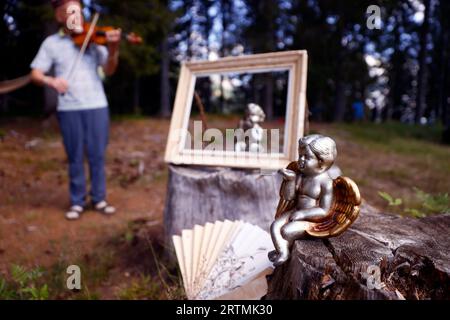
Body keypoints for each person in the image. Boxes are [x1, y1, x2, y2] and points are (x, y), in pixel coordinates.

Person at [30, 0, 121, 220]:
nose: (76, 16)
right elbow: (36, 74)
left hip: (97, 104)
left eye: (79, 12)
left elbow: (109, 70)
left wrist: (113, 49)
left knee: (97, 155)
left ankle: (99, 198)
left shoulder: (93, 39)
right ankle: (77, 201)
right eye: (70, 12)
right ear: (59, 17)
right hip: (69, 107)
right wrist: (52, 81)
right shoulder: (52, 43)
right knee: (74, 156)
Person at [269, 134, 337, 266]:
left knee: (286, 231)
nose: (301, 160)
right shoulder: (301, 176)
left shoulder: (325, 182)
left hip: (313, 219)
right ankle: (282, 251)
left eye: (307, 157)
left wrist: (303, 214)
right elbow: (289, 198)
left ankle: (284, 249)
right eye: (300, 155)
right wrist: (290, 181)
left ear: (322, 162)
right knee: (275, 226)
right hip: (296, 211)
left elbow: (324, 210)